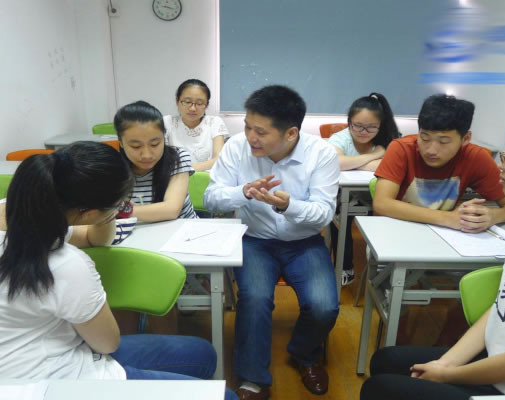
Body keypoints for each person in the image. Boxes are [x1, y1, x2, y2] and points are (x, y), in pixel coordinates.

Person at [361, 105, 505, 399]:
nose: (501, 166)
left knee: (379, 388)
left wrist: (447, 375)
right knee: (386, 361)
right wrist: (446, 363)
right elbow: (502, 305)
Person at [0, 142, 237, 400]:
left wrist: (107, 211)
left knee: (202, 353)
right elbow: (107, 343)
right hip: (54, 378)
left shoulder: (29, 217)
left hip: (37, 352)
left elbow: (93, 238)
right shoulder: (67, 265)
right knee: (226, 396)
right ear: (90, 212)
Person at [204, 85, 340, 400]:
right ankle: (253, 379)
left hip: (304, 242)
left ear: (291, 133)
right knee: (254, 299)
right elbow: (211, 198)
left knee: (324, 307)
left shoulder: (321, 154)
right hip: (255, 240)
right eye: (248, 127)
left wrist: (288, 205)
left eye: (261, 132)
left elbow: (323, 213)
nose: (251, 137)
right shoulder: (236, 147)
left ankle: (304, 354)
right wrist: (243, 192)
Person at [374, 93, 505, 232]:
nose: (431, 150)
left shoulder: (475, 157)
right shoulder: (401, 149)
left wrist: (493, 216)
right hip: (397, 231)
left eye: (444, 141)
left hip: (445, 235)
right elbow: (381, 204)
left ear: (465, 139)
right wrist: (447, 218)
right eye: (425, 138)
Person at [328, 92, 400, 285]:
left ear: (380, 125)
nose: (363, 132)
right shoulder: (340, 138)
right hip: (345, 195)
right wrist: (375, 156)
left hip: (380, 195)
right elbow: (336, 162)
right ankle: (345, 267)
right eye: (357, 125)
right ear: (349, 121)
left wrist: (353, 163)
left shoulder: (390, 139)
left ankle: (384, 266)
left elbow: (391, 166)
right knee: (338, 214)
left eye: (371, 127)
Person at [115, 100, 198, 222]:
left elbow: (171, 209)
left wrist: (120, 210)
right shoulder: (112, 167)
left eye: (155, 144)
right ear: (121, 142)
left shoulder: (177, 158)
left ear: (164, 137)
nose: (147, 155)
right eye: (136, 146)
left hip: (184, 230)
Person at [164, 79, 229, 171]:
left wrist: (185, 170)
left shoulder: (214, 122)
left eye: (199, 103)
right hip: (174, 177)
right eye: (187, 102)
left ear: (206, 105)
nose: (193, 108)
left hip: (207, 177)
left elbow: (218, 160)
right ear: (177, 101)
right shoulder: (167, 122)